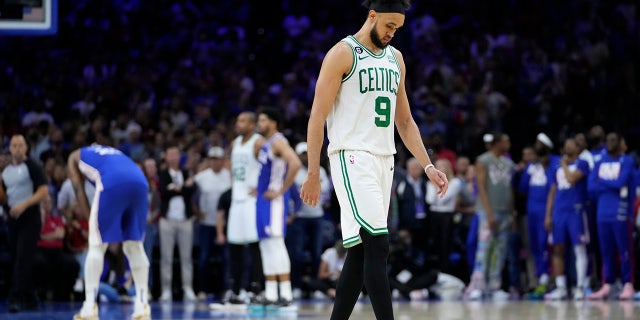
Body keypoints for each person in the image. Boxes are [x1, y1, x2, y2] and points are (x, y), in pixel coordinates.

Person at [299, 1, 449, 318]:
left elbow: (405, 122)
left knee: (360, 252)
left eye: (398, 28)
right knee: (379, 244)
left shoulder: (396, 59)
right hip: (351, 156)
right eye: (389, 26)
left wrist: (428, 165)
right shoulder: (343, 53)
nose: (393, 33)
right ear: (372, 16)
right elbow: (316, 118)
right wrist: (313, 172)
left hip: (385, 159)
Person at [68, 144, 151, 320]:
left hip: (112, 183)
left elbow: (79, 190)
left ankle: (89, 307)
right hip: (141, 182)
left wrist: (91, 221)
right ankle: (142, 306)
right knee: (135, 246)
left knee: (97, 245)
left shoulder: (75, 156)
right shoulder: (114, 153)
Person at [254, 107, 302, 307]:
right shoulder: (265, 143)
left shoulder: (279, 142)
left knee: (276, 245)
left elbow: (296, 163)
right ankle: (272, 293)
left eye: (263, 120)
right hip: (263, 200)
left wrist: (281, 190)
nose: (259, 123)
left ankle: (286, 293)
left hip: (274, 202)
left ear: (273, 122)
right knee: (266, 246)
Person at [0, 134, 49, 312]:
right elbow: (5, 196)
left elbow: (43, 191)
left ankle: (16, 298)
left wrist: (23, 205)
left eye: (21, 145)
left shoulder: (32, 166)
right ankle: (31, 297)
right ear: (10, 148)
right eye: (14, 145)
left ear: (26, 148)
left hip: (30, 217)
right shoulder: (5, 171)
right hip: (13, 219)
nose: (18, 148)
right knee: (18, 258)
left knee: (22, 257)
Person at [465, 133, 515, 301]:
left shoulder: (509, 163)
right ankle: (478, 286)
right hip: (488, 212)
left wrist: (512, 213)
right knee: (483, 250)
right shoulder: (483, 160)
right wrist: (489, 213)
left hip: (505, 212)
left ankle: (494, 286)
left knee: (499, 251)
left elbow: (510, 189)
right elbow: (481, 188)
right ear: (497, 143)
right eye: (506, 140)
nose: (509, 143)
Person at [221, 111, 264, 304]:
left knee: (254, 247)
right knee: (235, 246)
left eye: (243, 121)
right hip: (237, 200)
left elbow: (271, 166)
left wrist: (262, 188)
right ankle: (237, 290)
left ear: (252, 124)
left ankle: (257, 290)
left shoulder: (258, 142)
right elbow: (231, 168)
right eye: (238, 120)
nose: (238, 124)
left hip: (251, 201)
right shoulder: (235, 143)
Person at [587, 132, 636, 300]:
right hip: (602, 212)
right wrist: (610, 185)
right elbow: (591, 187)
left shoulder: (627, 161)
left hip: (621, 211)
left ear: (620, 142)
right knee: (605, 250)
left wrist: (602, 182)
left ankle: (627, 283)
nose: (609, 143)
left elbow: (621, 182)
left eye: (614, 140)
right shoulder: (600, 161)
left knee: (624, 250)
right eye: (607, 140)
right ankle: (607, 284)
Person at [544, 138, 590, 300]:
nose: (569, 145)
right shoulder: (555, 166)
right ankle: (561, 287)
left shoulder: (582, 163)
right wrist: (548, 215)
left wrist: (564, 164)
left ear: (578, 148)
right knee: (557, 249)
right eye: (567, 143)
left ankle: (580, 286)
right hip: (559, 212)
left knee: (579, 249)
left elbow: (571, 179)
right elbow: (552, 191)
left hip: (575, 211)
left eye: (573, 143)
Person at [287, 142, 331, 299]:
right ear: (298, 156)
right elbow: (291, 195)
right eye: (303, 154)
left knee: (316, 253)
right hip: (299, 218)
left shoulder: (321, 171)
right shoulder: (294, 172)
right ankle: (296, 286)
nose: (306, 157)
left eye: (308, 153)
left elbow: (325, 192)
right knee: (296, 254)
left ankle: (314, 287)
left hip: (317, 216)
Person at [517, 133, 557, 298]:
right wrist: (529, 170)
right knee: (533, 246)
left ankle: (548, 281)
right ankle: (539, 280)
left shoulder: (553, 162)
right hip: (530, 210)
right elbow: (522, 188)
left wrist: (545, 167)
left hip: (545, 210)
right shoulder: (532, 165)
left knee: (544, 246)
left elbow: (554, 186)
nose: (536, 146)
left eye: (539, 143)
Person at [157, 146, 197, 302]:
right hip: (167, 221)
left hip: (185, 221)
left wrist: (176, 188)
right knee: (166, 257)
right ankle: (166, 289)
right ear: (166, 157)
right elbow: (164, 193)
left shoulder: (186, 172)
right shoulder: (163, 174)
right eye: (170, 154)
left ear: (180, 157)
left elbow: (191, 190)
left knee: (186, 258)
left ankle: (188, 288)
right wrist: (182, 188)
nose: (173, 157)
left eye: (176, 154)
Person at [193, 146, 231, 299]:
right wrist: (196, 211)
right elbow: (191, 196)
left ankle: (226, 290)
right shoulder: (201, 177)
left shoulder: (229, 176)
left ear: (223, 161)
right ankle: (203, 290)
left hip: (225, 224)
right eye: (213, 159)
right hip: (206, 223)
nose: (215, 162)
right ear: (209, 161)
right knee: (203, 257)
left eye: (218, 159)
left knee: (227, 258)